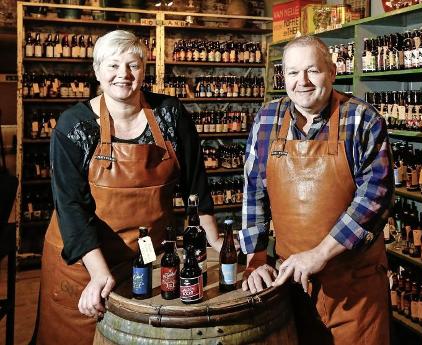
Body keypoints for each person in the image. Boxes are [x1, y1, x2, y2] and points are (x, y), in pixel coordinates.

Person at [34, 30, 222, 344]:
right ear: (96, 71)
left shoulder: (169, 115)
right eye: (112, 66)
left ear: (144, 71)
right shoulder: (74, 126)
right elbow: (70, 207)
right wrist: (98, 272)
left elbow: (196, 186)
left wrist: (215, 239)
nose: (123, 74)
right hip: (83, 261)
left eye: (133, 65)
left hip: (146, 258)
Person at [239, 35, 394, 344]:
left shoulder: (362, 119)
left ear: (332, 72)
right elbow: (254, 190)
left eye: (313, 70)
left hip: (354, 288)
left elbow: (376, 195)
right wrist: (255, 260)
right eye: (293, 73)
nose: (303, 81)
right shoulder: (267, 118)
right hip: (291, 284)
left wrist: (320, 254)